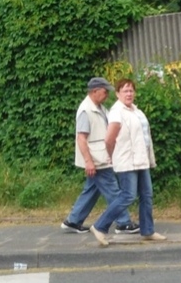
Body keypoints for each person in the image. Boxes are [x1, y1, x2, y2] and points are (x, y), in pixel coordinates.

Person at [89, 78, 166, 246]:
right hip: (126, 160)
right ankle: (100, 226)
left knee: (146, 194)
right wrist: (112, 155)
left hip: (141, 159)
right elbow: (109, 139)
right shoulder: (117, 112)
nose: (129, 94)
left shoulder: (136, 110)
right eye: (125, 91)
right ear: (117, 94)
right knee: (128, 195)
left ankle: (148, 231)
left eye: (131, 90)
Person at [60, 77, 140, 235]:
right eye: (105, 91)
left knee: (92, 190)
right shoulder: (86, 111)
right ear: (94, 91)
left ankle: (73, 221)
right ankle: (123, 222)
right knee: (113, 190)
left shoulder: (100, 108)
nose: (107, 95)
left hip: (101, 157)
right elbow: (81, 138)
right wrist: (88, 161)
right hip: (97, 159)